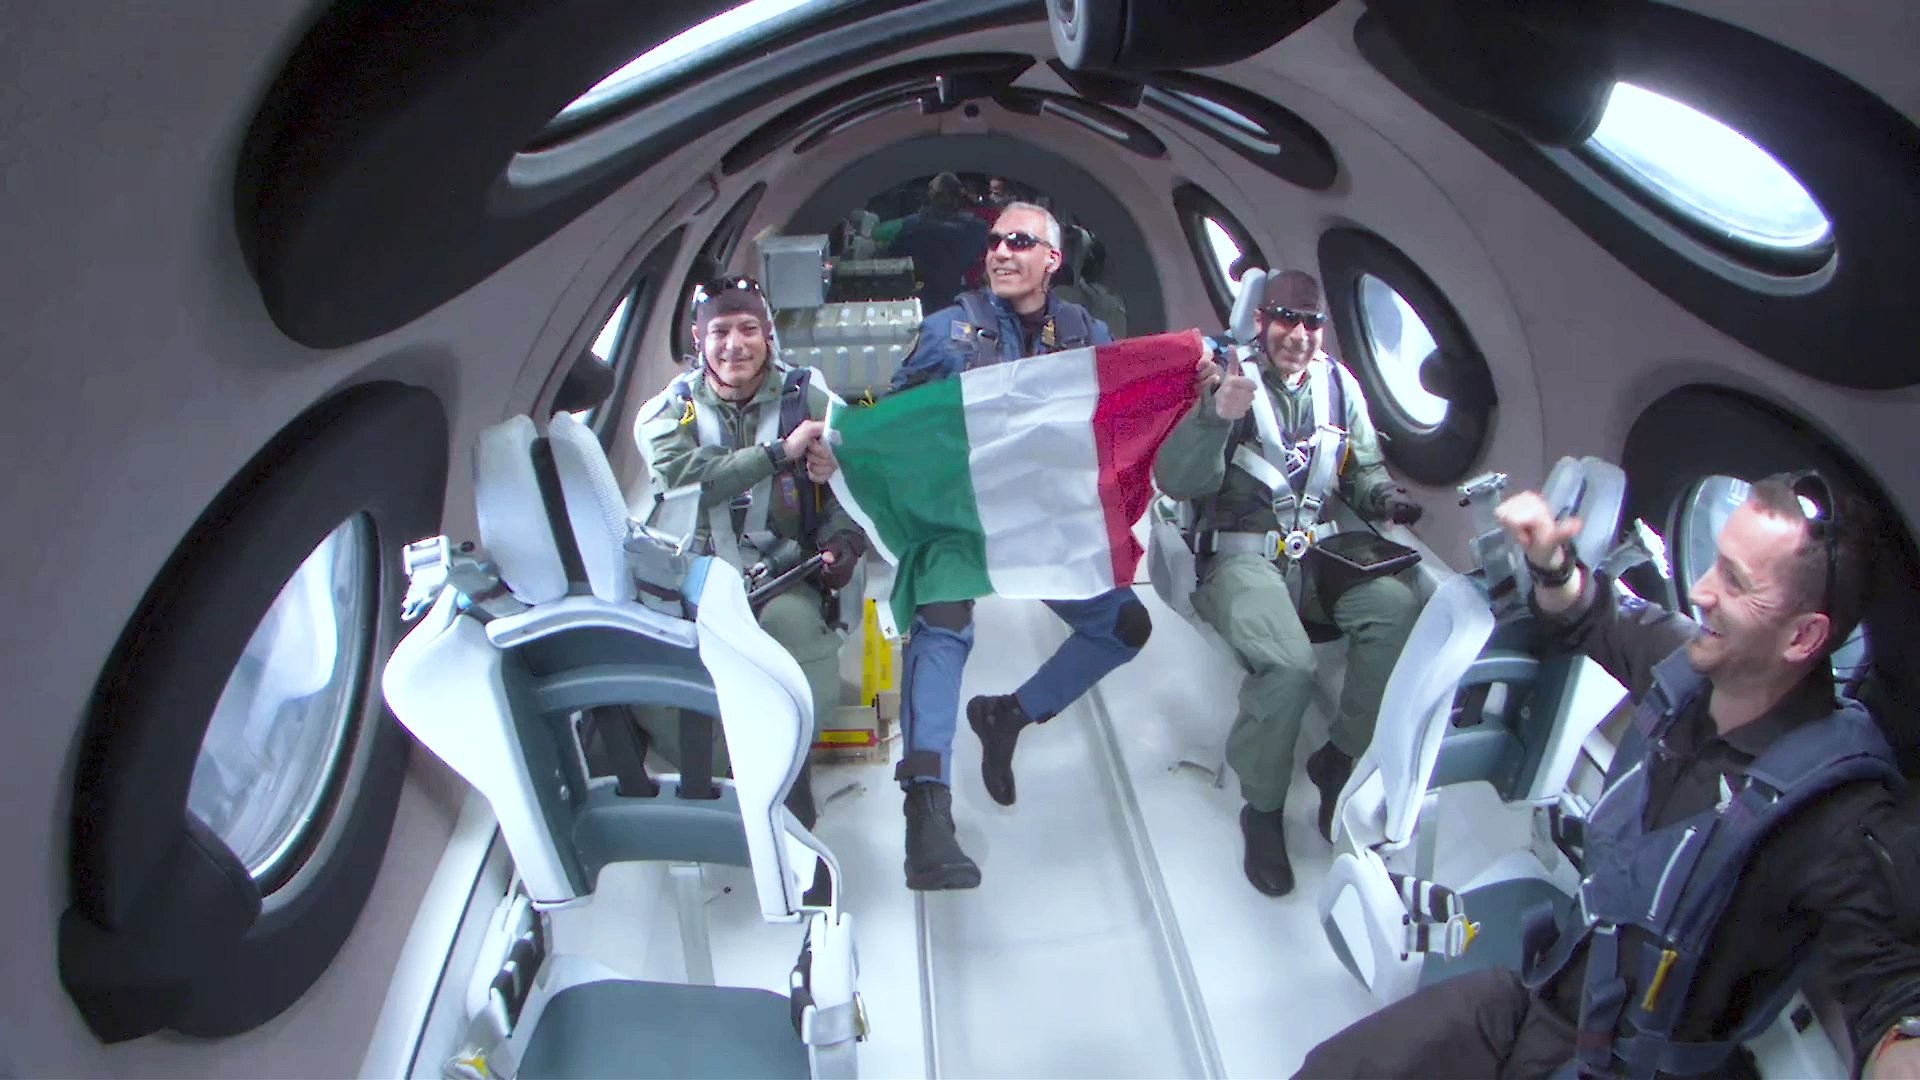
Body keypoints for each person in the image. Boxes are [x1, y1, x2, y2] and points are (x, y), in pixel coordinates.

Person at [1298, 472, 1920, 1079]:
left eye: (1736, 582)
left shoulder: (1842, 814)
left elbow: (1893, 995)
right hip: (1542, 1000)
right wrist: (1549, 559)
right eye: (1714, 562)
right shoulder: (1686, 664)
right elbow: (1588, 613)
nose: (1702, 591)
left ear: (1803, 636)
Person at [883, 200, 1154, 891]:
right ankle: (926, 812)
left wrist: (1195, 379)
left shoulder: (1084, 333)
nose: (1002, 252)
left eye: (1020, 242)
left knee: (1124, 625)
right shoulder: (947, 331)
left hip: (1038, 516)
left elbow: (1115, 408)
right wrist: (844, 437)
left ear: (1053, 260)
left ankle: (1006, 715)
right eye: (996, 241)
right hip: (961, 516)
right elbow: (888, 415)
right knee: (941, 625)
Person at [1152, 269, 1423, 897]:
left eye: (1311, 322)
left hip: (1321, 549)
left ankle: (1339, 759)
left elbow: (1362, 470)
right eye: (1285, 319)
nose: (1298, 335)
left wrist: (1386, 497)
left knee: (1397, 612)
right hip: (1238, 555)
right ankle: (1263, 807)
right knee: (1290, 664)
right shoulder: (1222, 379)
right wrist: (1215, 416)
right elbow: (1177, 481)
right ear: (1261, 321)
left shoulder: (1340, 387)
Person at [633, 276, 867, 829]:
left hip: (787, 572)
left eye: (747, 329)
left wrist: (844, 540)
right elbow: (684, 477)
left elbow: (853, 485)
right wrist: (778, 453)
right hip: (698, 574)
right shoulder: (675, 412)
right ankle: (736, 777)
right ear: (699, 339)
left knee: (793, 633)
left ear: (767, 335)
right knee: (658, 684)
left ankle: (791, 770)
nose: (734, 345)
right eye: (719, 331)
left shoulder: (806, 400)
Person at [883, 172, 988, 314]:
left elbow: (892, 256)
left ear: (931, 195)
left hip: (924, 298)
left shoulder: (912, 224)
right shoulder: (977, 227)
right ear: (959, 195)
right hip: (962, 300)